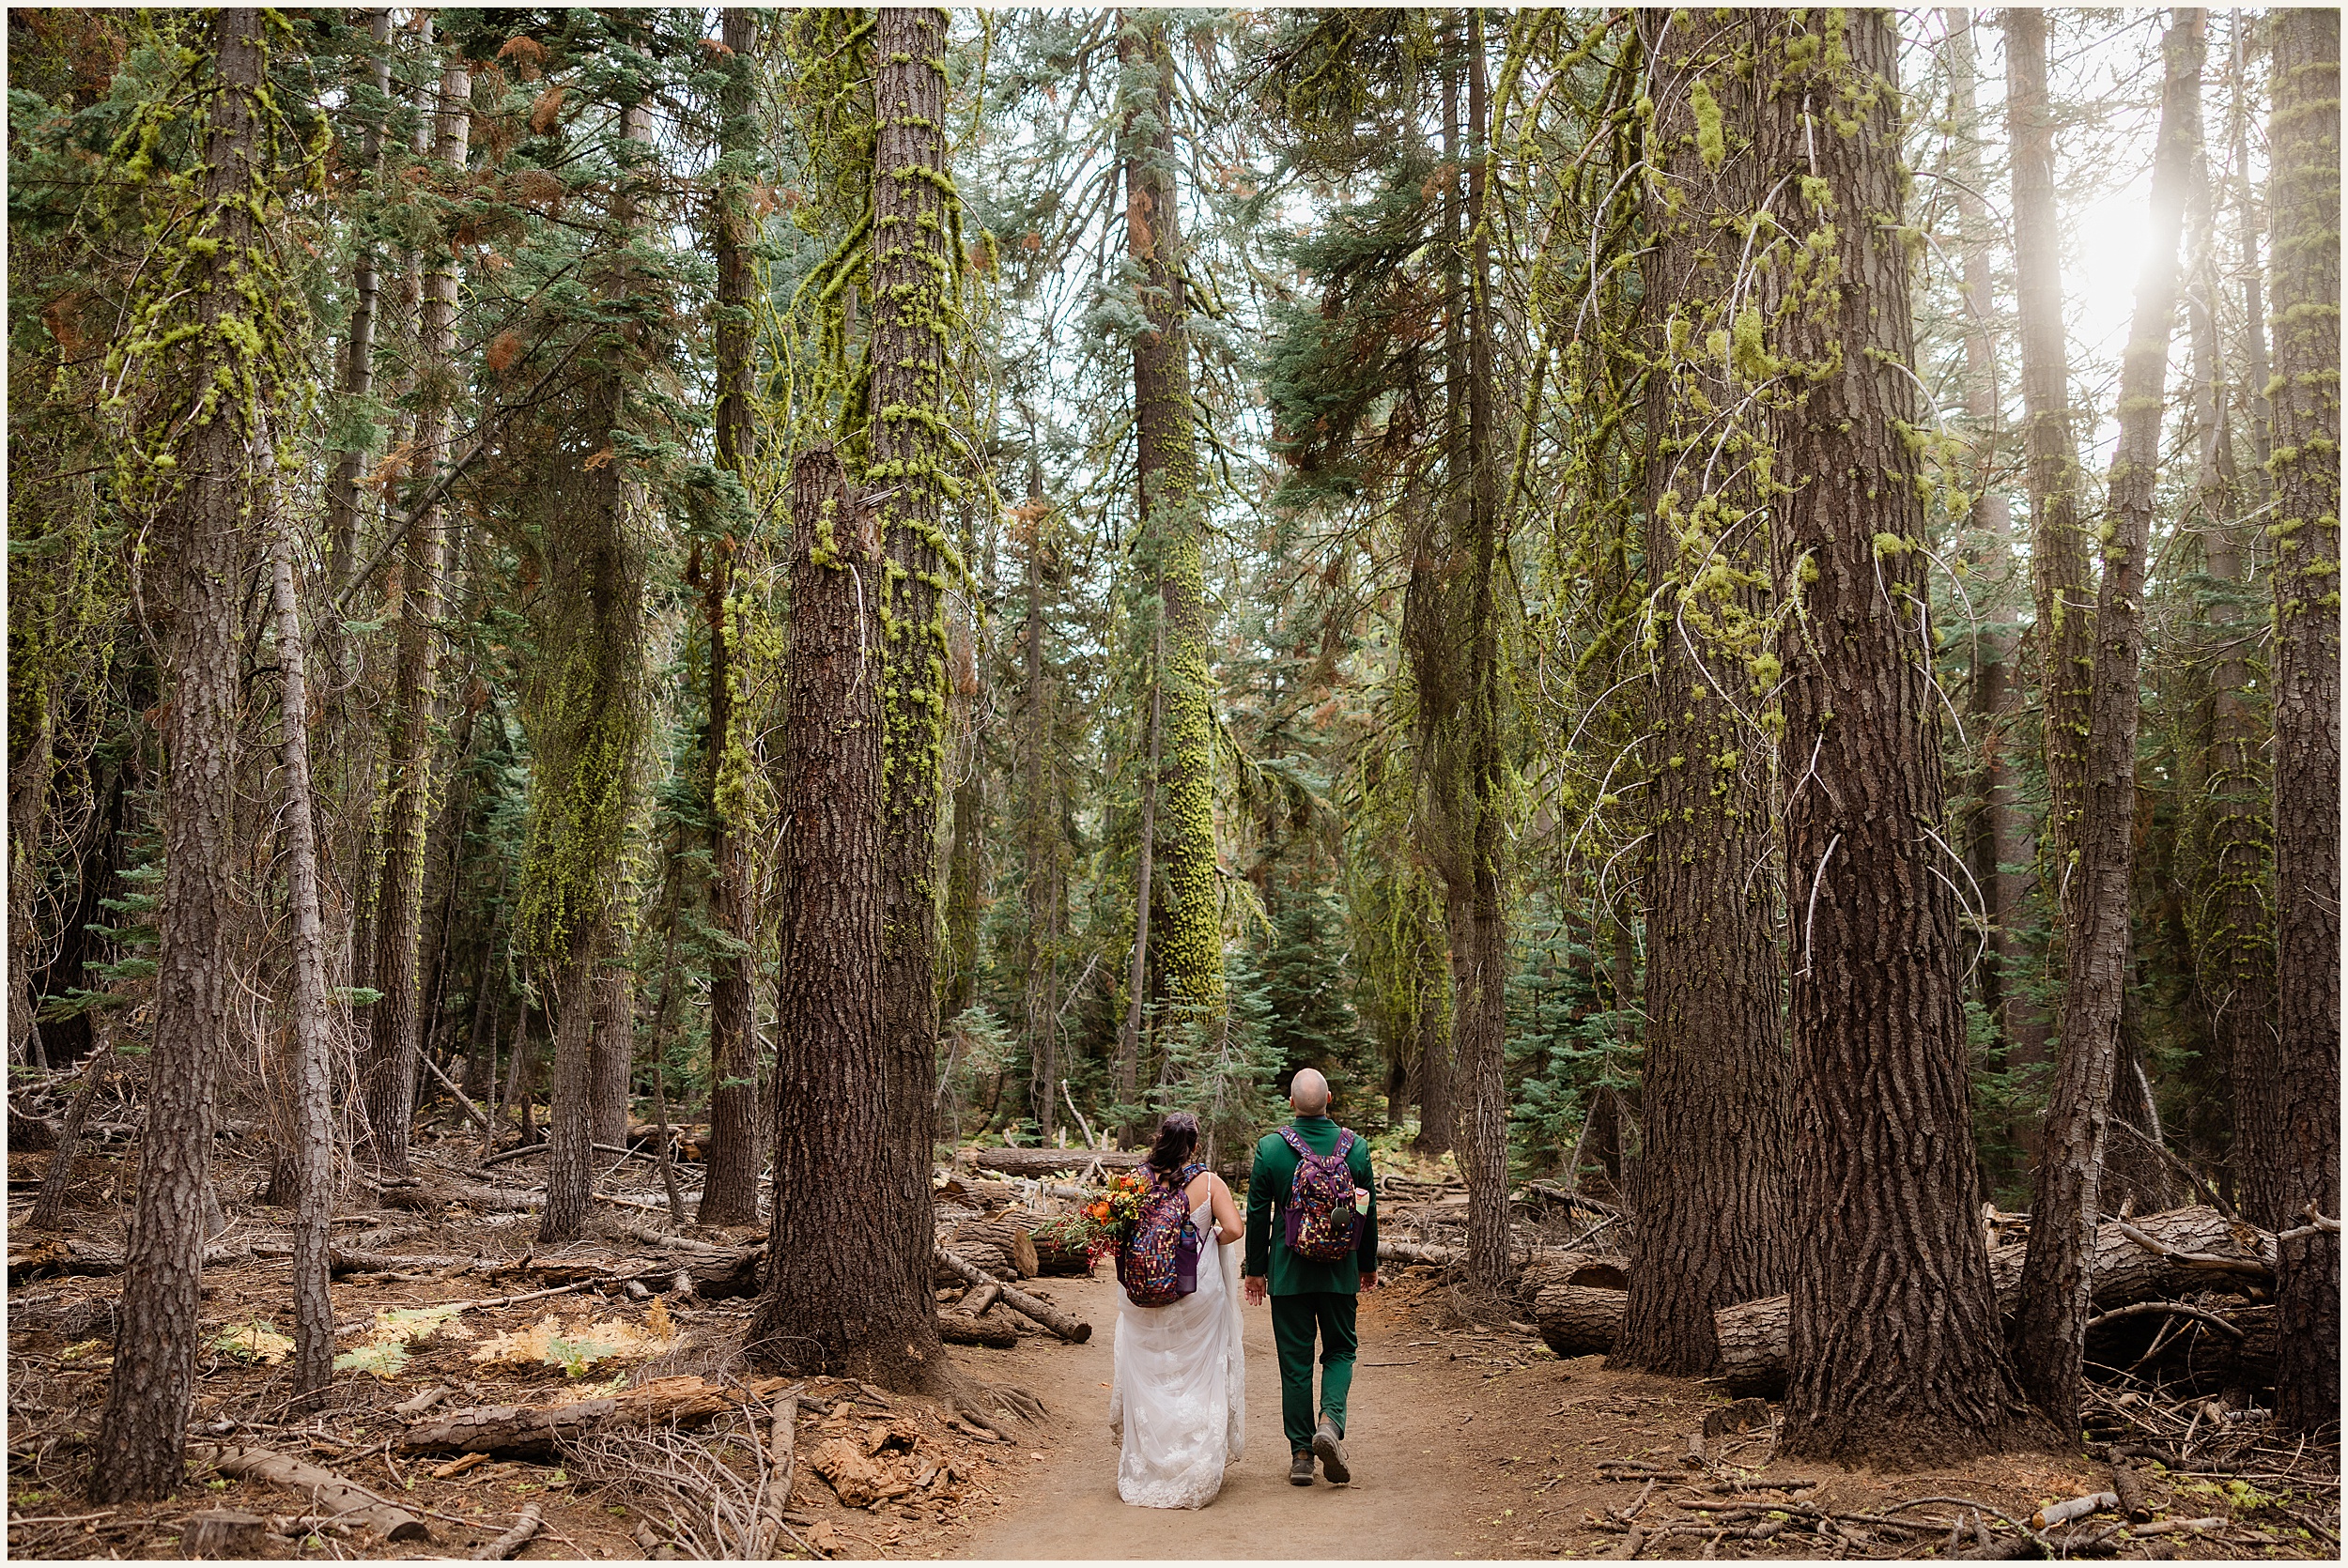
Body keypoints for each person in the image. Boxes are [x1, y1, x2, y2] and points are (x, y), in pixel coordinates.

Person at [1243, 1068, 1378, 1487]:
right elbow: (1365, 1211)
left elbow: (1256, 1215)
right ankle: (1330, 1425)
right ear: (1330, 1099)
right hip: (1338, 1272)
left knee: (1295, 1362)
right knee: (1340, 1350)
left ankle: (1301, 1455)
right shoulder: (1355, 1149)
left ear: (1291, 1103)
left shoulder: (1271, 1149)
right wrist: (1366, 1264)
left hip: (1289, 1271)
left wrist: (1256, 1271)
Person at [1106, 1111, 1246, 1508]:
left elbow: (1117, 1230)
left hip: (1142, 1294)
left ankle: (1149, 1461)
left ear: (1159, 1139)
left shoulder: (1135, 1180)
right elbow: (1235, 1230)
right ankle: (1194, 1458)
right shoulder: (1208, 1182)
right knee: (1195, 1374)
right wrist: (1207, 1233)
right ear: (1195, 1146)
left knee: (1154, 1369)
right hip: (1193, 1291)